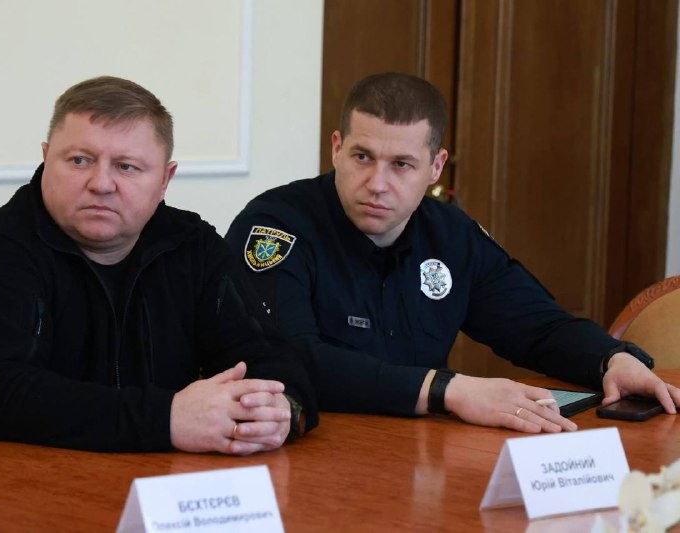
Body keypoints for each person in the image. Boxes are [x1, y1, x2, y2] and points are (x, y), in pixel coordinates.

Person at [224, 72, 679, 434]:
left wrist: (610, 359)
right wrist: (449, 391)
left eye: (401, 165)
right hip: (316, 448)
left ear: (435, 167)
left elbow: (538, 327)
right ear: (337, 148)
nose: (377, 183)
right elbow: (289, 361)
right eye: (363, 157)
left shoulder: (450, 236)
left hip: (422, 454)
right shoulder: (275, 226)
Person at [0, 76, 316, 454]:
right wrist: (167, 418)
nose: (101, 184)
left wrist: (278, 409)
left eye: (126, 166)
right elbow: (3, 399)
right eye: (79, 160)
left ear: (165, 180)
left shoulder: (192, 245)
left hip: (140, 481)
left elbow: (271, 357)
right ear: (46, 158)